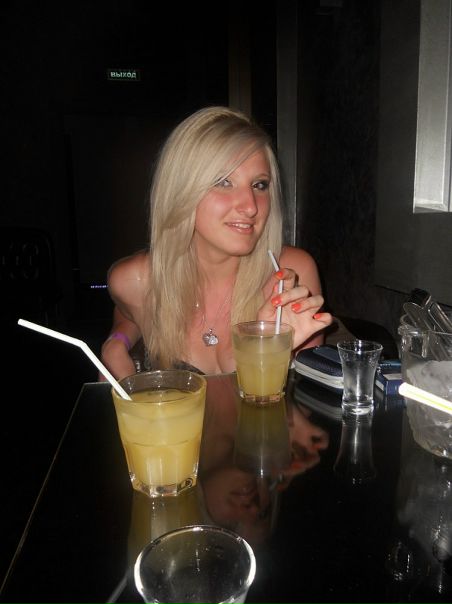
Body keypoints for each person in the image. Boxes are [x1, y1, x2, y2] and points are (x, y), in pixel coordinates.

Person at [101, 106, 332, 380]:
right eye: (224, 182)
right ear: (180, 190)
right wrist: (117, 341)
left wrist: (269, 347)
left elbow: (303, 398)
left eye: (259, 185)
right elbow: (129, 312)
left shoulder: (290, 277)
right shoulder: (135, 280)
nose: (250, 207)